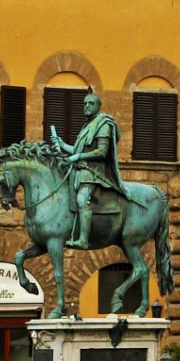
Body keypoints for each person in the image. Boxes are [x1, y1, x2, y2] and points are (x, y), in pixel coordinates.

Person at [51, 91, 129, 249]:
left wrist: (78, 156)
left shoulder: (103, 124)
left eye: (90, 103)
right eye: (85, 104)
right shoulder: (87, 125)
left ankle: (83, 240)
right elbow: (77, 150)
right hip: (81, 171)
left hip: (94, 173)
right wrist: (63, 144)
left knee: (82, 200)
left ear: (98, 106)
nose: (86, 106)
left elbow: (101, 152)